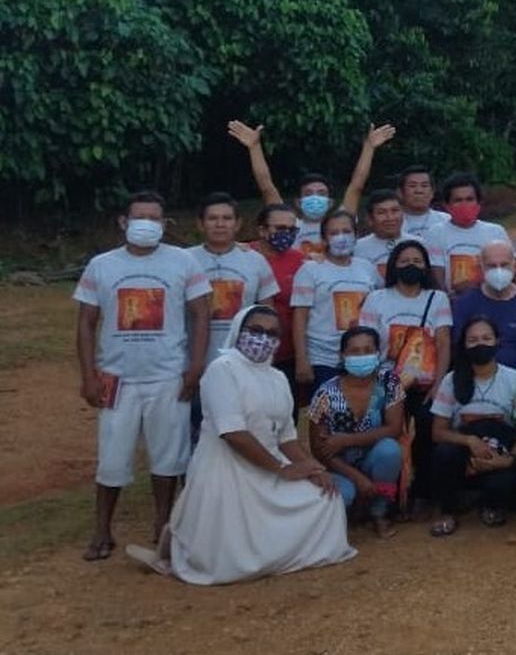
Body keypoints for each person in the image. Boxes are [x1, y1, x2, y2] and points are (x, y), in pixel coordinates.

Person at [125, 306, 353, 584]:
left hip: (270, 467)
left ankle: (274, 555)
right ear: (239, 331)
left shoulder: (278, 378)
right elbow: (233, 434)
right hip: (227, 468)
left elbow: (286, 438)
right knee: (227, 555)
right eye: (256, 330)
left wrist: (310, 468)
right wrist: (282, 469)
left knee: (325, 498)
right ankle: (173, 548)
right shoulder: (223, 369)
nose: (263, 338)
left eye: (272, 333)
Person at [74, 192, 211, 562]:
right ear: (123, 222)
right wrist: (89, 375)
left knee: (169, 456)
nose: (147, 223)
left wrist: (194, 367)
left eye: (155, 217)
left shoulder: (183, 262)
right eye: (140, 216)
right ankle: (102, 528)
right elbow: (87, 323)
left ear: (165, 224)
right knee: (112, 457)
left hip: (168, 375)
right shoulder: (101, 266)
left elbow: (201, 315)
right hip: (116, 378)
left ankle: (163, 523)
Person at [360, 240, 453, 508]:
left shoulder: (437, 298)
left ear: (426, 266)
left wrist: (439, 385)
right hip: (386, 381)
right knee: (386, 435)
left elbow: (444, 342)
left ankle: (421, 492)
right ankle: (386, 495)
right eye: (404, 261)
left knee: (425, 432)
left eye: (417, 261)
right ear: (393, 266)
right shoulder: (377, 299)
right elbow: (367, 341)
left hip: (425, 385)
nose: (410, 266)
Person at [227, 120, 394, 256]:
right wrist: (254, 147)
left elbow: (357, 184)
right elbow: (266, 187)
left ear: (330, 202)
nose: (315, 197)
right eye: (308, 193)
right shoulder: (288, 223)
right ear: (298, 202)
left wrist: (369, 147)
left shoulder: (342, 220)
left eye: (321, 193)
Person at [429, 316, 516, 535]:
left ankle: (490, 505)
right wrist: (469, 441)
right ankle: (448, 511)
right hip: (463, 454)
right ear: (463, 344)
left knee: (502, 483)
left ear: (497, 341)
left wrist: (508, 460)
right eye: (472, 340)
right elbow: (438, 432)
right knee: (443, 454)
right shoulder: (450, 380)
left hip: (501, 452)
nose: (480, 344)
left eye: (486, 338)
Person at [307, 326, 404, 538]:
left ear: (378, 353)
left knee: (390, 450)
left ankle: (379, 512)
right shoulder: (326, 393)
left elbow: (395, 428)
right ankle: (354, 511)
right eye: (355, 351)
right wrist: (357, 477)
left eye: (368, 350)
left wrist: (346, 440)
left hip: (372, 459)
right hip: (339, 467)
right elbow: (319, 449)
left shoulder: (387, 383)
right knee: (344, 495)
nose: (362, 356)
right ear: (342, 355)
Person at [290, 210, 382, 394]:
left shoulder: (367, 268)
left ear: (356, 235)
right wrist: (302, 359)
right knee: (328, 413)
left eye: (347, 231)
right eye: (334, 233)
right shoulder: (310, 270)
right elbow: (300, 317)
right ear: (324, 239)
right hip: (323, 358)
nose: (341, 237)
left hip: (362, 357)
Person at [187, 192, 278, 369]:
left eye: (227, 218)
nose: (220, 224)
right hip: (191, 361)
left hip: (243, 361)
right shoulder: (184, 260)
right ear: (200, 224)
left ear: (237, 224)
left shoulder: (256, 261)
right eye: (212, 218)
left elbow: (268, 312)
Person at [452, 240, 516, 372]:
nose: (498, 270)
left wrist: (515, 382)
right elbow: (459, 347)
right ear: (482, 267)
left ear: (515, 266)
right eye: (492, 266)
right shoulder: (465, 303)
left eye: (504, 265)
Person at [252, 203, 307, 402]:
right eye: (280, 228)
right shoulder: (244, 256)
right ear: (262, 230)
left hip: (287, 355)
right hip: (249, 352)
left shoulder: (302, 261)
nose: (287, 234)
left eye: (292, 230)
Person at [423, 172, 512, 295]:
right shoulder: (436, 233)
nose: (464, 205)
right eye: (458, 200)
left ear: (478, 203)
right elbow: (436, 274)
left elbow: (510, 269)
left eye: (469, 199)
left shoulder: (496, 232)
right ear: (447, 205)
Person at [353, 190, 416, 278]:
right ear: (370, 219)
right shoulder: (357, 249)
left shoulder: (417, 243)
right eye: (381, 212)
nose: (390, 218)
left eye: (395, 211)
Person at [398, 164, 449, 236]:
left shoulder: (446, 220)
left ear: (432, 192)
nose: (419, 191)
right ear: (401, 192)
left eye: (424, 186)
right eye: (412, 186)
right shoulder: (391, 222)